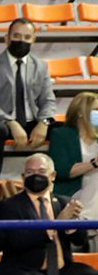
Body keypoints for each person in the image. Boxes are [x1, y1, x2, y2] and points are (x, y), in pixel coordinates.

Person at [0, 18, 55, 177]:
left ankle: (55, 182)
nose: (21, 41)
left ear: (33, 40)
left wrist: (44, 122)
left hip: (31, 122)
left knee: (64, 129)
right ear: (6, 38)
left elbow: (48, 101)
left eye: (26, 37)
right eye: (16, 36)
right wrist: (11, 122)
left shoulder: (41, 66)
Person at [49, 91, 98, 221]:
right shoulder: (61, 135)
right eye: (96, 110)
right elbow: (61, 171)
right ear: (80, 113)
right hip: (73, 190)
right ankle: (84, 223)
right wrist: (93, 164)